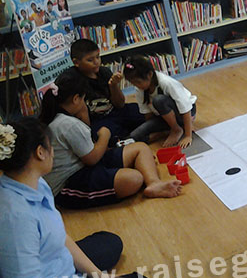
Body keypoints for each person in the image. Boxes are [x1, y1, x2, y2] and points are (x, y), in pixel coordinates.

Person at [0, 118, 156, 278]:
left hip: (56, 266)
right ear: (40, 152)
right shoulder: (15, 216)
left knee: (111, 243)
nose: (53, 152)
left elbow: (59, 235)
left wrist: (99, 277)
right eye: (51, 146)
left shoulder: (35, 182)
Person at [40, 71, 182, 209]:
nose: (85, 104)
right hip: (69, 183)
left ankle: (154, 183)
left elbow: (89, 145)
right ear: (76, 99)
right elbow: (92, 158)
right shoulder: (67, 124)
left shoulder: (62, 117)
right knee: (135, 179)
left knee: (141, 148)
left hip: (83, 165)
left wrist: (84, 113)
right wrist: (105, 135)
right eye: (83, 100)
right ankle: (142, 175)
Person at [64, 39, 145, 143]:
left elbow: (120, 104)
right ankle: (131, 137)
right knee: (105, 135)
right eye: (90, 60)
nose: (96, 62)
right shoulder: (71, 79)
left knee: (143, 112)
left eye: (98, 57)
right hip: (97, 121)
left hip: (115, 112)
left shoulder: (104, 72)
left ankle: (130, 137)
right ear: (76, 62)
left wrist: (113, 86)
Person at [124, 55, 197, 148]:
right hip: (164, 117)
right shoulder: (140, 89)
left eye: (138, 82)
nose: (136, 86)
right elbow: (147, 114)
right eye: (133, 83)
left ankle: (177, 129)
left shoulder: (166, 82)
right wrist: (152, 128)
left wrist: (188, 136)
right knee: (134, 136)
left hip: (185, 113)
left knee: (159, 100)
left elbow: (185, 108)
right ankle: (168, 130)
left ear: (150, 74)